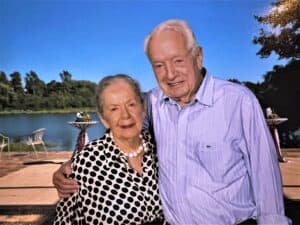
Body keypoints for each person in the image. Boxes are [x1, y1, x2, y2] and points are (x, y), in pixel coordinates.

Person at [53, 19, 291, 225]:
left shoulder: (239, 101)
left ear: (198, 57)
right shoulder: (153, 102)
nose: (170, 74)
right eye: (159, 65)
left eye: (178, 61)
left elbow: (266, 180)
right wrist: (71, 169)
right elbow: (121, 132)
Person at [53, 74, 164, 225]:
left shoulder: (164, 149)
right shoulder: (86, 162)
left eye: (131, 104)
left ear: (143, 109)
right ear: (104, 119)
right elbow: (65, 221)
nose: (125, 115)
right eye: (114, 109)